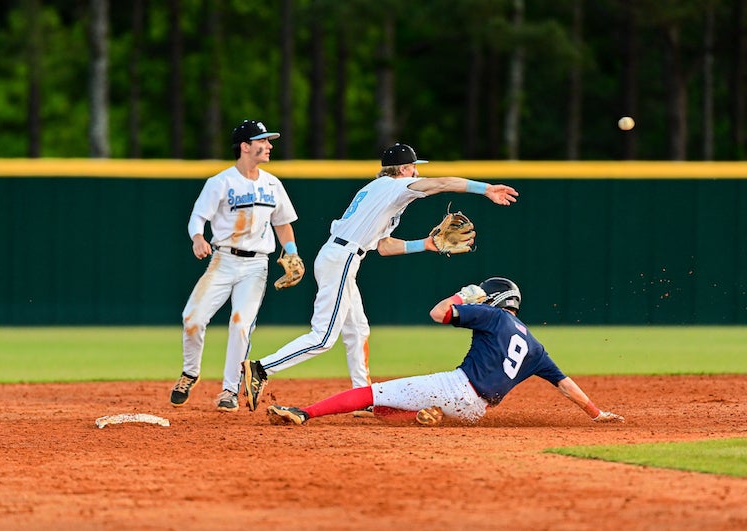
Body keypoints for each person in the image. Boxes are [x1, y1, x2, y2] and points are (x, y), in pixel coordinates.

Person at [242, 143, 519, 414]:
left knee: (358, 330)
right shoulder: (395, 186)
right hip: (342, 259)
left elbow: (383, 247)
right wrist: (486, 189)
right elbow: (442, 183)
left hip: (341, 256)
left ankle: (362, 395)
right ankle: (262, 367)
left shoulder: (377, 191)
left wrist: (424, 244)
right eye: (414, 168)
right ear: (404, 169)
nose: (417, 174)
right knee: (324, 337)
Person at [265, 277, 624, 426]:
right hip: (476, 412)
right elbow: (564, 384)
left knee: (369, 395)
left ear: (496, 300)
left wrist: (462, 296)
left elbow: (438, 313)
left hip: (456, 387)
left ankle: (304, 413)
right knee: (385, 411)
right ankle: (427, 416)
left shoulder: (491, 314)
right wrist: (596, 413)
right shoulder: (534, 344)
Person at [169, 120, 302, 412]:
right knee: (192, 319)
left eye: (269, 141)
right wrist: (197, 239)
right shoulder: (221, 182)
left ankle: (229, 391)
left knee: (240, 326)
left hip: (256, 266)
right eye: (263, 141)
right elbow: (198, 217)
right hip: (223, 260)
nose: (269, 146)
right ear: (245, 146)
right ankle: (190, 373)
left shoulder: (272, 184)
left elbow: (283, 224)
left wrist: (291, 253)